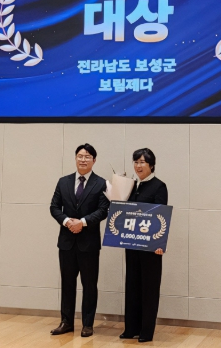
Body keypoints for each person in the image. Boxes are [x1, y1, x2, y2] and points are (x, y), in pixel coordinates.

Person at [50, 143, 109, 338]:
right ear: (75, 158)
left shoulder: (101, 184)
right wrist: (67, 222)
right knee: (67, 283)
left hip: (89, 243)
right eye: (80, 156)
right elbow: (54, 207)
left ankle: (87, 324)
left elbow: (103, 210)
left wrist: (82, 223)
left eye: (87, 156)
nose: (83, 160)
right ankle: (66, 322)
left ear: (94, 160)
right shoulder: (63, 181)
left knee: (89, 285)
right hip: (66, 242)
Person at [119, 148, 168, 343]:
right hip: (132, 244)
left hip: (151, 248)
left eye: (142, 162)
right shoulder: (131, 185)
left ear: (151, 165)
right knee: (132, 285)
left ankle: (146, 331)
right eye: (136, 162)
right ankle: (131, 328)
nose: (138, 166)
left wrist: (159, 243)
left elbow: (161, 217)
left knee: (149, 288)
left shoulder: (159, 186)